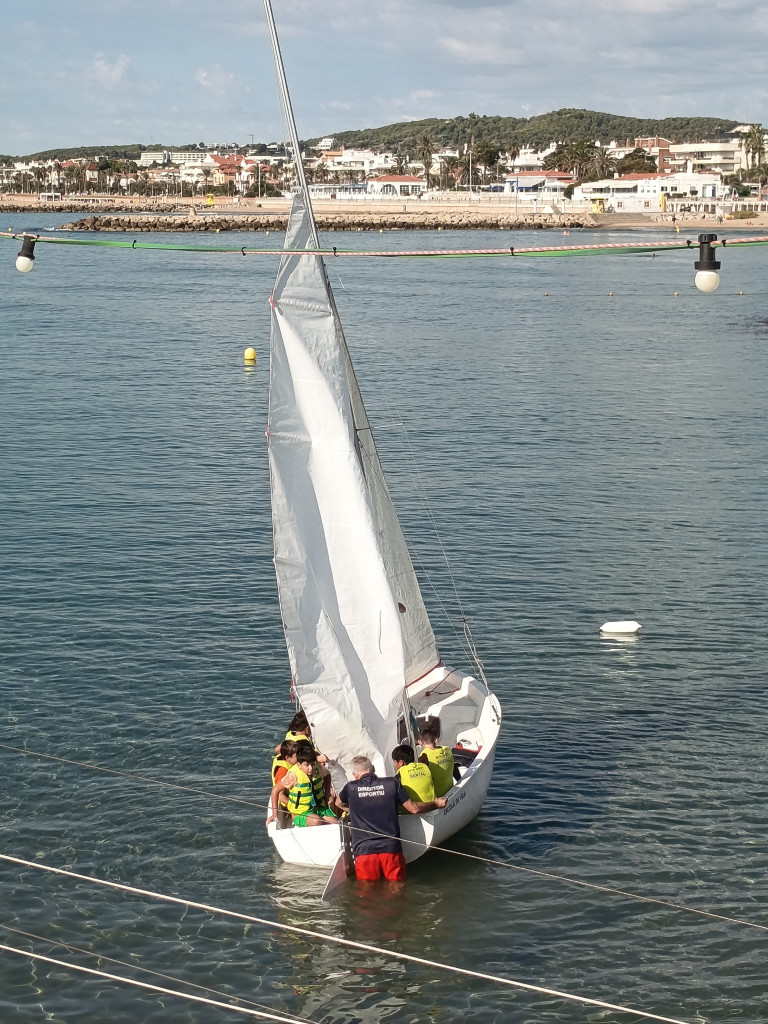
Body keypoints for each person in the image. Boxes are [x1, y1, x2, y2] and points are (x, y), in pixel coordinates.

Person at [336, 755, 446, 881]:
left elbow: (338, 803)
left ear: (355, 775)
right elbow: (414, 809)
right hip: (390, 848)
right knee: (397, 887)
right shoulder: (392, 783)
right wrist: (436, 803)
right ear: (373, 769)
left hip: (364, 851)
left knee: (367, 890)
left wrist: (356, 811)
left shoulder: (350, 788)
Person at [267, 744, 337, 828]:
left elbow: (327, 775)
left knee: (336, 824)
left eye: (312, 764)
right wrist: (275, 814)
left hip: (319, 809)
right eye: (307, 765)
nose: (311, 768)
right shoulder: (293, 775)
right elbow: (275, 790)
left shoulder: (317, 768)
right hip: (300, 813)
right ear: (299, 764)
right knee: (316, 821)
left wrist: (327, 795)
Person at [418, 727, 460, 798]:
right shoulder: (447, 750)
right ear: (436, 739)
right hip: (450, 791)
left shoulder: (424, 757)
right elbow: (454, 768)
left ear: (420, 742)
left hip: (436, 798)